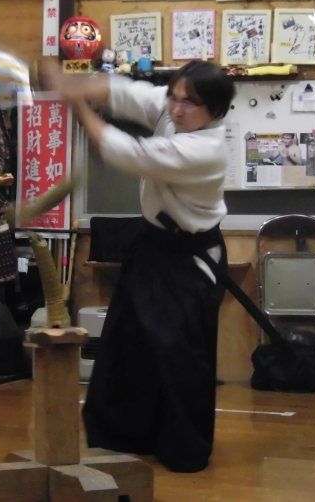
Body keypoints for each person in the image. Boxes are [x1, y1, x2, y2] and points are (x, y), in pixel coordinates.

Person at [42, 59, 235, 473]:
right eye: (174, 96)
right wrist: (76, 83)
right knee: (127, 338)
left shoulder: (205, 149)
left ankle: (183, 448)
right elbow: (126, 93)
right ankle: (122, 436)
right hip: (153, 246)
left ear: (215, 110)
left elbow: (130, 154)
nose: (176, 108)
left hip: (189, 259)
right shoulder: (175, 111)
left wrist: (77, 104)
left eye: (190, 102)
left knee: (178, 354)